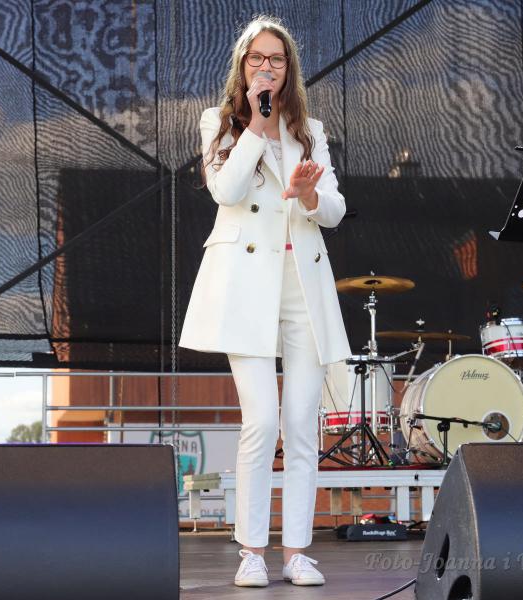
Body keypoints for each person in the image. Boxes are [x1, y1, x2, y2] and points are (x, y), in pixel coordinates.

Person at [178, 14, 351, 588]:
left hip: (302, 283)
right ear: (243, 67)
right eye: (258, 59)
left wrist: (308, 195)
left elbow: (334, 210)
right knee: (262, 419)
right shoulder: (220, 123)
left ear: (289, 68)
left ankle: (297, 550)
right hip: (245, 287)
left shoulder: (310, 131)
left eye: (277, 59)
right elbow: (225, 190)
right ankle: (252, 550)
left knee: (301, 423)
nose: (267, 67)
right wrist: (256, 123)